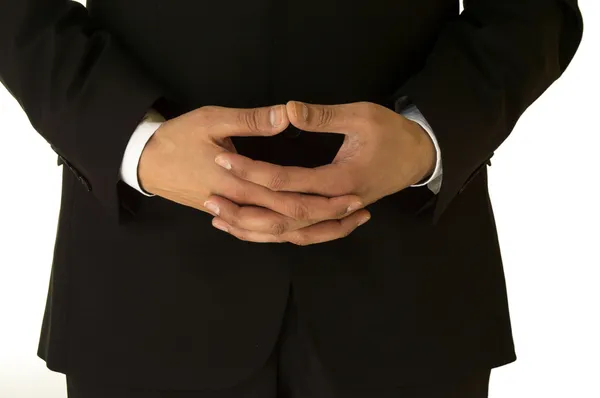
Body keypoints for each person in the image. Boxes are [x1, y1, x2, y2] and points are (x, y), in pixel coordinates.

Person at [0, 0, 583, 397]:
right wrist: (135, 143)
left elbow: (535, 9)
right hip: (143, 294)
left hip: (409, 296)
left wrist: (425, 136)